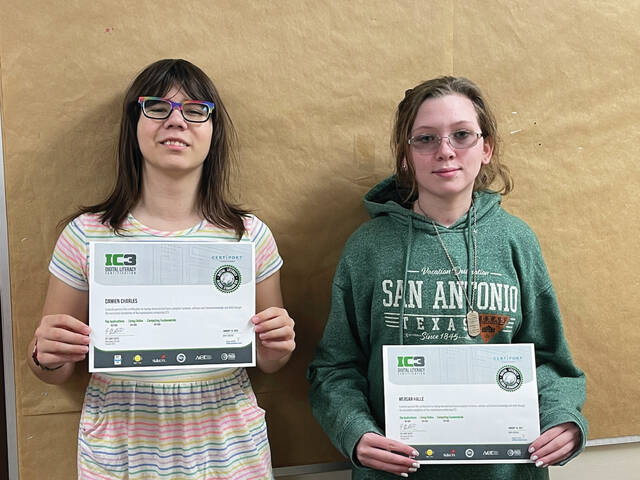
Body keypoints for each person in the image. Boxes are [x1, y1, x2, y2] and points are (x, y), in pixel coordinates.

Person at [307, 76, 587, 479]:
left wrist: (563, 419)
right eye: (425, 139)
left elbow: (550, 360)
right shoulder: (367, 248)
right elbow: (335, 368)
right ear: (406, 156)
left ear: (486, 148)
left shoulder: (517, 240)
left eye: (462, 135)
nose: (445, 151)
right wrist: (355, 431)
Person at [28, 59, 295, 480]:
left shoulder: (249, 236)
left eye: (195, 110)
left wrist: (278, 345)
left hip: (228, 450)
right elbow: (54, 369)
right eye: (156, 107)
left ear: (214, 131)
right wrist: (45, 355)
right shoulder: (86, 235)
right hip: (120, 451)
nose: (176, 121)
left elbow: (268, 360)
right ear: (133, 125)